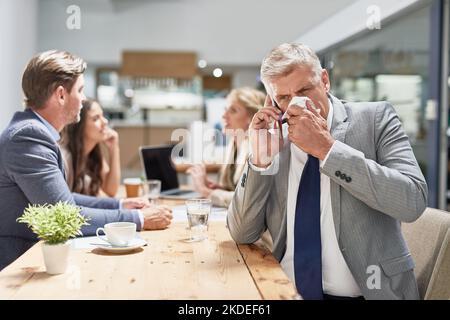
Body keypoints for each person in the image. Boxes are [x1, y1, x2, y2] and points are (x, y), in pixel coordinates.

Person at [227, 43, 428, 300]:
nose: (297, 103)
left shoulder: (376, 119)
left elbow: (412, 201)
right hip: (282, 291)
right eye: (284, 98)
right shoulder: (274, 138)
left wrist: (328, 149)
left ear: (324, 80)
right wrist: (260, 160)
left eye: (304, 90)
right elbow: (242, 232)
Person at [0, 50, 172, 271]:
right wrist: (138, 218)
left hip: (37, 260)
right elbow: (65, 215)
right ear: (61, 95)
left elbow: (62, 198)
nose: (83, 99)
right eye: (80, 90)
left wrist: (119, 204)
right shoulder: (28, 138)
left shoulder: (33, 132)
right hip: (18, 267)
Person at [187, 87, 265, 208]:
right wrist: (218, 188)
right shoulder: (234, 144)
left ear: (252, 118)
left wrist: (205, 191)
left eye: (233, 110)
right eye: (225, 110)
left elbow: (247, 200)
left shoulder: (257, 151)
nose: (224, 116)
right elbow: (236, 190)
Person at [60, 99, 120, 197]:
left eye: (102, 116)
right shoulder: (66, 158)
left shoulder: (93, 154)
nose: (105, 121)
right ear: (80, 125)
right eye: (96, 118)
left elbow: (111, 191)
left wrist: (114, 149)